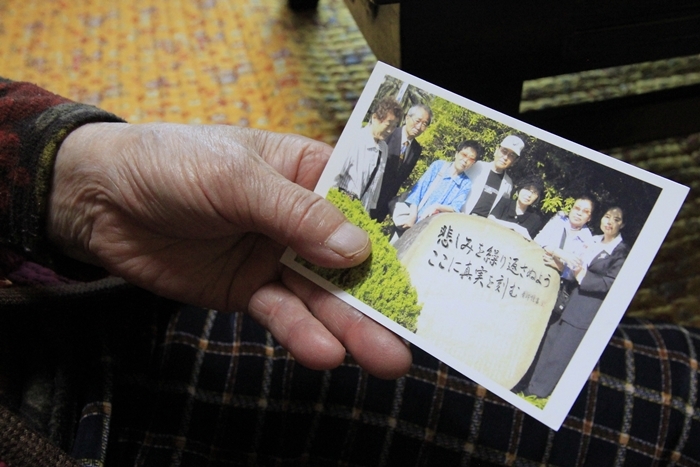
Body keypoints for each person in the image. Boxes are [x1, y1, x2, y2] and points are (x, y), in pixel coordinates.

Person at [2, 78, 700, 467]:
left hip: (77, 280)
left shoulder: (488, 183)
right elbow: (421, 197)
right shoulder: (432, 163)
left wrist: (66, 176)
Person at [524, 206, 629, 398]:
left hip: (586, 308)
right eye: (607, 216)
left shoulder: (620, 252)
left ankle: (539, 393)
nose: (609, 222)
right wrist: (563, 265)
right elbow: (575, 265)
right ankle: (531, 386)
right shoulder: (595, 241)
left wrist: (583, 275)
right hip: (569, 299)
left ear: (622, 225)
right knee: (550, 342)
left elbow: (611, 283)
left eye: (616, 219)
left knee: (561, 353)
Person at [334, 97, 403, 212]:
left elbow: (375, 186)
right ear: (375, 118)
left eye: (394, 126)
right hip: (341, 204)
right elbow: (334, 177)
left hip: (359, 210)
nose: (390, 130)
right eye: (388, 124)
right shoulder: (355, 139)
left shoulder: (383, 148)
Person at [396, 140, 480, 231]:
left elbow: (455, 207)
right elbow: (418, 191)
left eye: (471, 158)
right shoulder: (439, 166)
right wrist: (412, 216)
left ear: (473, 163)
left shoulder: (465, 183)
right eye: (464, 155)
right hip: (411, 219)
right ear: (456, 154)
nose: (465, 160)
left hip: (432, 228)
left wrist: (437, 206)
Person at [370, 104, 432, 221]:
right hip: (368, 194)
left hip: (382, 206)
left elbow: (399, 179)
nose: (419, 127)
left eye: (424, 124)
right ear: (407, 118)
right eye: (418, 121)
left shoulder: (416, 149)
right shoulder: (388, 134)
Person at [460, 134, 523, 216]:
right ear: (497, 150)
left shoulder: (508, 184)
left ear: (515, 161)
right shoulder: (477, 166)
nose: (505, 157)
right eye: (504, 151)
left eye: (511, 155)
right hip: (461, 217)